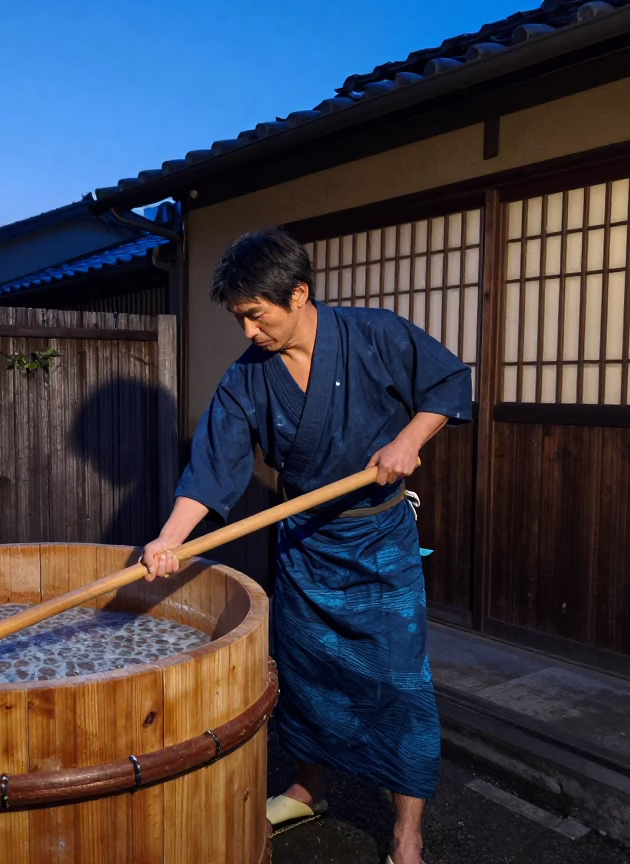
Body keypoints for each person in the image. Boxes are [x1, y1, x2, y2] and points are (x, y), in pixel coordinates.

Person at [141, 230, 471, 864]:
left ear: (297, 293)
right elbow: (214, 468)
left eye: (255, 315)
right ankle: (308, 786)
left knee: (399, 686)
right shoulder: (248, 379)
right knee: (305, 675)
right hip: (304, 548)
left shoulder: (374, 334)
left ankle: (406, 831)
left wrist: (411, 440)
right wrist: (169, 540)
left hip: (379, 542)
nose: (247, 331)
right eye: (238, 317)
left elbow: (449, 382)